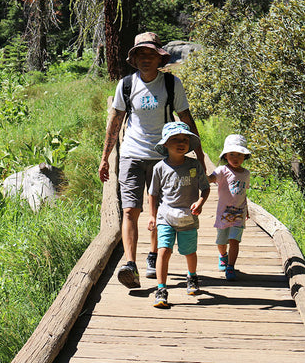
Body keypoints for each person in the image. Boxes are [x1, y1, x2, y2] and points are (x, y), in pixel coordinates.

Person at [98, 32, 205, 289]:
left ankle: (153, 255)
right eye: (140, 54)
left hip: (165, 158)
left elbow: (186, 118)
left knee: (161, 211)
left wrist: (199, 154)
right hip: (132, 154)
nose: (146, 59)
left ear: (159, 58)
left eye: (150, 54)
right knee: (129, 210)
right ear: (134, 59)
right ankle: (130, 265)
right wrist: (104, 158)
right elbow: (115, 122)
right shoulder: (126, 85)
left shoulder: (171, 84)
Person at [147, 122, 210, 308]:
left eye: (184, 139)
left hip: (188, 216)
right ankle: (161, 289)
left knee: (189, 252)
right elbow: (153, 193)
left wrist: (200, 202)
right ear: (165, 143)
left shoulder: (194, 165)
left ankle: (192, 277)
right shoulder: (160, 167)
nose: (180, 143)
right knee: (164, 251)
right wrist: (152, 215)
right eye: (175, 139)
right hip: (166, 216)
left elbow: (205, 188)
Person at [208, 134, 251, 281]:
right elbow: (211, 178)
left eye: (239, 154)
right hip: (223, 213)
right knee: (221, 241)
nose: (235, 157)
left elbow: (243, 193)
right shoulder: (222, 171)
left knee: (234, 240)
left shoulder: (246, 174)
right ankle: (223, 255)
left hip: (239, 213)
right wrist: (202, 178)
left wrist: (247, 209)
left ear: (244, 156)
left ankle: (231, 267)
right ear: (225, 155)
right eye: (232, 154)